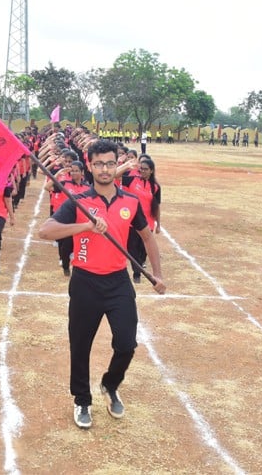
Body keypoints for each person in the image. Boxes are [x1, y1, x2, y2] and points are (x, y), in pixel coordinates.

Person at [38, 139, 166, 430]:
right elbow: (46, 232)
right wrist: (85, 225)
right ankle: (82, 399)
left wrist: (158, 274)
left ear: (115, 164)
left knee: (126, 343)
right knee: (80, 345)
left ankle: (110, 384)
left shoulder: (130, 202)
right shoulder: (77, 201)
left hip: (118, 282)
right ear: (90, 165)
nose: (105, 169)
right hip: (85, 282)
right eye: (99, 164)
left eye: (110, 163)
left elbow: (147, 237)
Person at [44, 160, 90, 276]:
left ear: (82, 172)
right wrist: (58, 173)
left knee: (80, 245)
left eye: (77, 171)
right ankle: (65, 265)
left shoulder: (87, 187)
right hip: (66, 219)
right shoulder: (65, 184)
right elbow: (47, 187)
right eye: (72, 171)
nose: (74, 173)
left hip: (80, 219)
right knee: (65, 245)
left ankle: (79, 267)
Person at [121, 157, 161, 284]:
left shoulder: (155, 187)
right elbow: (115, 176)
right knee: (131, 247)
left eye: (145, 169)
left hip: (147, 221)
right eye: (141, 169)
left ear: (151, 171)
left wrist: (158, 224)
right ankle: (137, 272)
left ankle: (140, 263)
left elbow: (157, 206)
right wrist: (126, 166)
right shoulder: (132, 180)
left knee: (143, 248)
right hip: (132, 221)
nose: (142, 171)